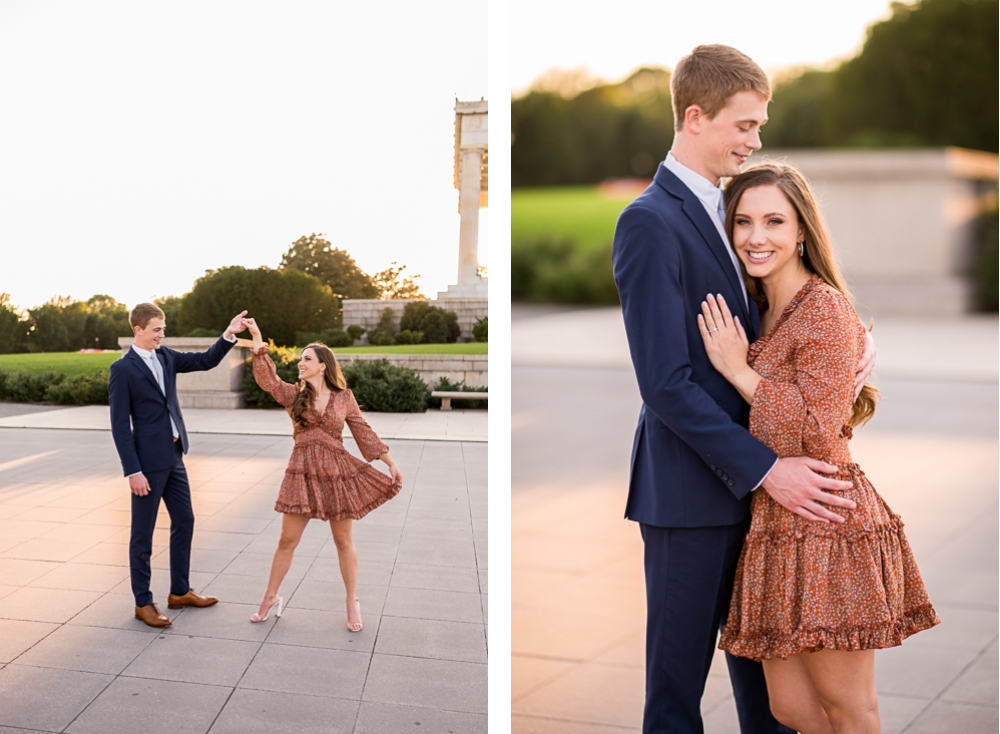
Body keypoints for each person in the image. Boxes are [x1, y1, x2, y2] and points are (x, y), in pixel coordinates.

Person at [611, 45, 875, 733]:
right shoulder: (650, 221)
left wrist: (848, 342)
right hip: (692, 501)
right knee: (675, 701)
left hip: (762, 509)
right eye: (744, 125)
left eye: (760, 126)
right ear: (695, 117)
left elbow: (780, 312)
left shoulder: (734, 210)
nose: (756, 140)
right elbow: (664, 384)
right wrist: (768, 470)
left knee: (775, 707)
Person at [697, 162, 940, 734]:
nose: (757, 237)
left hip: (828, 521)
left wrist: (740, 373)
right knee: (793, 710)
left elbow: (816, 428)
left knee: (849, 709)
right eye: (744, 222)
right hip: (779, 521)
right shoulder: (760, 309)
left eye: (775, 221)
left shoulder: (824, 308)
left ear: (802, 229)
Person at [244, 319, 402, 630]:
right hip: (301, 473)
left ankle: (351, 601)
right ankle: (270, 596)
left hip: (336, 473)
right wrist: (258, 342)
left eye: (306, 359)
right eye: (300, 359)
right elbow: (268, 381)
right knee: (287, 540)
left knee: (343, 541)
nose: (300, 363)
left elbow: (362, 431)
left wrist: (389, 461)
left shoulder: (344, 397)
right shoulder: (293, 394)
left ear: (322, 366)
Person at [109, 303, 248, 627]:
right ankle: (143, 602)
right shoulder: (123, 369)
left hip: (175, 456)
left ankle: (180, 591)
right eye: (157, 329)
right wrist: (133, 471)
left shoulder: (167, 357)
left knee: (185, 520)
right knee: (142, 536)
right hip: (146, 464)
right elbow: (119, 425)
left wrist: (229, 333)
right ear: (138, 330)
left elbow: (205, 360)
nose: (162, 334)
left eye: (164, 328)